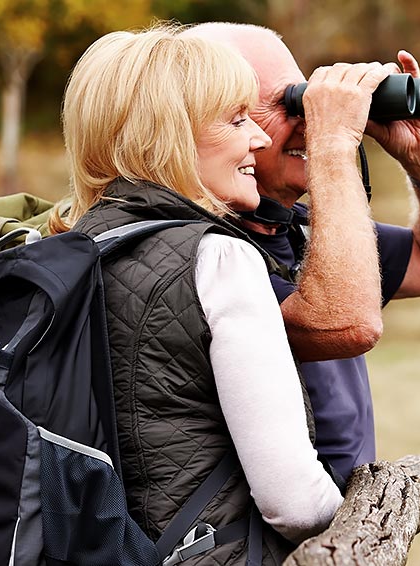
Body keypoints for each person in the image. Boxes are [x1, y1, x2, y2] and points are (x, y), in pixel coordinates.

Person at [48, 26, 346, 564]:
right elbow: (295, 501)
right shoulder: (220, 260)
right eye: (236, 121)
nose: (258, 139)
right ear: (169, 135)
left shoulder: (73, 248)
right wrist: (371, 518)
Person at [183, 23, 420, 481]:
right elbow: (345, 324)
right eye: (284, 103)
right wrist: (333, 144)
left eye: (304, 95)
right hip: (265, 538)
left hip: (348, 529)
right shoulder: (205, 252)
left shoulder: (304, 229)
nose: (308, 116)